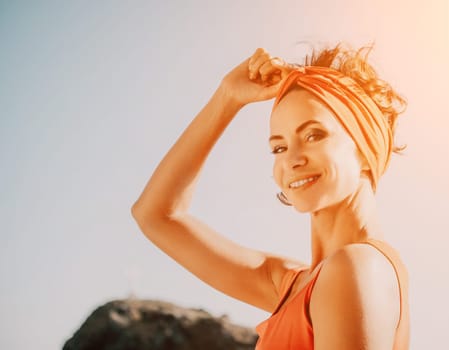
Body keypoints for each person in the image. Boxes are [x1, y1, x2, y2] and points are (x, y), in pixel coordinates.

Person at [131, 43, 410, 350]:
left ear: (366, 148)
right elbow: (155, 215)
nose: (291, 160)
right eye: (279, 147)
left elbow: (158, 217)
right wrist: (227, 97)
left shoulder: (356, 266)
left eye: (313, 135)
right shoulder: (292, 284)